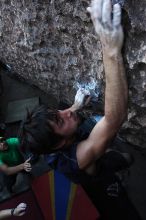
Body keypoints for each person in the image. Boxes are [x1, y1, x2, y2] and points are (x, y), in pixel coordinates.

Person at [19, 0, 141, 219]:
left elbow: (65, 118)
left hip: (80, 146)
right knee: (123, 159)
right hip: (96, 170)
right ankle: (123, 172)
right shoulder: (79, 158)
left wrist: (75, 105)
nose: (66, 112)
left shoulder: (51, 143)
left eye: (57, 113)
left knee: (111, 150)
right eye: (60, 121)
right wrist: (110, 48)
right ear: (60, 144)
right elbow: (115, 119)